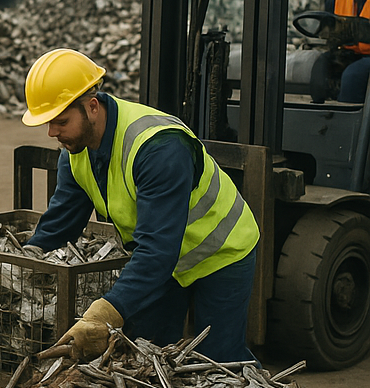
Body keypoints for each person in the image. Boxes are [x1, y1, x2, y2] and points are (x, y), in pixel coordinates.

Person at [22, 49, 260, 364]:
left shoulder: (159, 148)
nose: (53, 133)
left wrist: (105, 313)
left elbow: (158, 249)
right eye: (48, 123)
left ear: (92, 107)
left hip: (220, 253)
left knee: (217, 363)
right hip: (165, 259)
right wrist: (26, 260)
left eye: (60, 121)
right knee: (147, 354)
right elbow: (62, 220)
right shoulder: (75, 151)